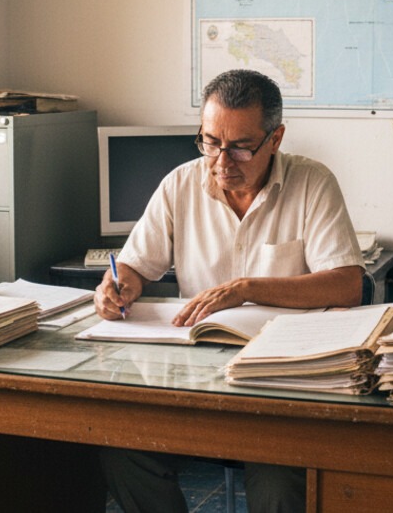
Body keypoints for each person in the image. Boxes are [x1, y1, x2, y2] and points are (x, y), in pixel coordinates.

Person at [94, 69, 365, 513]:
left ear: (275, 139)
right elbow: (136, 265)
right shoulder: (180, 183)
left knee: (279, 482)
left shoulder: (313, 183)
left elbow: (347, 284)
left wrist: (247, 289)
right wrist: (119, 283)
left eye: (240, 146)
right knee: (121, 451)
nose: (222, 162)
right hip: (194, 378)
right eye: (210, 142)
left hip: (279, 384)